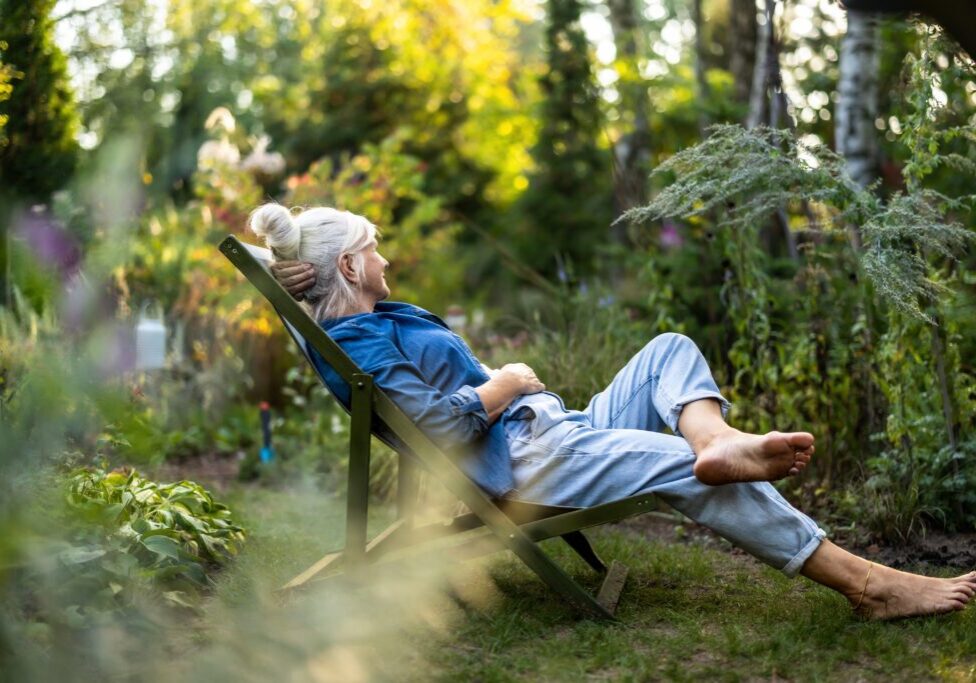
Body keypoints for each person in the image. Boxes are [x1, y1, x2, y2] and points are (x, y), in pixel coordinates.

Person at [250, 202, 976, 620]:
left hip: (552, 429)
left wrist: (514, 392)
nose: (386, 256)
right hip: (528, 459)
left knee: (667, 348)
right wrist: (502, 384)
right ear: (347, 266)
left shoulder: (372, 320)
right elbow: (439, 429)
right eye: (373, 248)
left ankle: (719, 438)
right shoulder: (364, 346)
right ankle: (869, 584)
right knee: (678, 466)